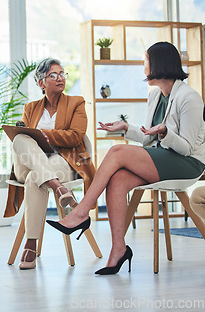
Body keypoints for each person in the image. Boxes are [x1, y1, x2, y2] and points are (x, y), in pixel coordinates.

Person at [47, 41, 205, 275]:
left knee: (117, 152)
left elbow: (188, 148)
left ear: (159, 64)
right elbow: (149, 140)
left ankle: (81, 212)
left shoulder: (189, 98)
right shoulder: (155, 96)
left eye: (146, 62)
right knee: (118, 179)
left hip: (188, 163)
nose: (143, 67)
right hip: (163, 158)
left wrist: (165, 133)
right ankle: (118, 249)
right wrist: (126, 128)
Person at [4, 57, 96, 270]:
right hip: (28, 162)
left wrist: (45, 135)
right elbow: (26, 142)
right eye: (52, 75)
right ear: (41, 83)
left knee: (35, 179)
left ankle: (30, 243)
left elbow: (75, 136)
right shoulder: (31, 107)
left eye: (62, 74)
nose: (59, 78)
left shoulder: (76, 103)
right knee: (19, 138)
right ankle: (59, 188)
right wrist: (32, 136)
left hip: (62, 160)